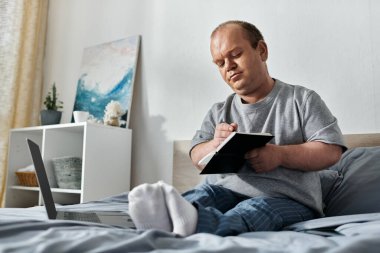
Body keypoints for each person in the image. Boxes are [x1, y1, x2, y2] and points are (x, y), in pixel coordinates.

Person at [129, 20, 346, 237]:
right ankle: (165, 217)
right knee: (202, 195)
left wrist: (279, 155)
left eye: (235, 55)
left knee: (253, 211)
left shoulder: (302, 100)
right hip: (224, 190)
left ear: (261, 50)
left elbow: (330, 150)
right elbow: (196, 154)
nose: (228, 66)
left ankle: (196, 225)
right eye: (220, 63)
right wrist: (214, 144)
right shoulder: (218, 111)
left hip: (287, 200)